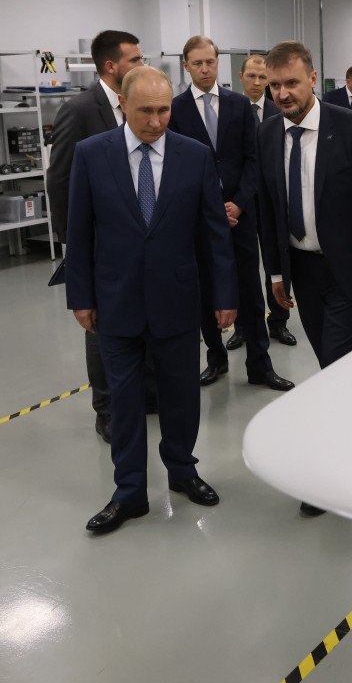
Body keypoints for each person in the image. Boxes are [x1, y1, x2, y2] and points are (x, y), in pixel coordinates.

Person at [65, 66, 238, 534]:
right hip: (114, 303)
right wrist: (80, 296)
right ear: (122, 105)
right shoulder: (92, 155)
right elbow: (78, 232)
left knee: (181, 396)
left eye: (164, 110)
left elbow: (214, 233)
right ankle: (129, 493)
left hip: (178, 301)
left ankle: (183, 471)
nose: (157, 121)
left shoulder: (194, 156)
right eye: (146, 111)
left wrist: (225, 294)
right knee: (124, 402)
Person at [259, 41, 352, 517]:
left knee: (335, 368)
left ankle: (330, 474)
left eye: (291, 83)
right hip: (302, 270)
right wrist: (277, 274)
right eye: (275, 85)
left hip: (351, 267)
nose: (283, 94)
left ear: (312, 78)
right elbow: (269, 211)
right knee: (332, 360)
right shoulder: (266, 136)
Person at [169, 36, 293, 392]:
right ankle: (216, 359)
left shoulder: (240, 105)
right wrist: (209, 210)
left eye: (210, 61)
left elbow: (253, 160)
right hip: (199, 221)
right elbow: (177, 169)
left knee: (250, 292)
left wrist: (238, 202)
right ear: (186, 66)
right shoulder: (176, 110)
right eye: (198, 63)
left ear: (218, 62)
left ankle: (260, 364)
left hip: (240, 214)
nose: (205, 69)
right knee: (205, 291)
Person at [47, 30, 147, 444]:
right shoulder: (80, 110)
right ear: (111, 66)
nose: (142, 64)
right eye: (135, 59)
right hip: (99, 245)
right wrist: (76, 244)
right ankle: (106, 408)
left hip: (141, 238)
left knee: (142, 317)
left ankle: (147, 394)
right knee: (101, 328)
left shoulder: (138, 106)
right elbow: (60, 181)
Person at [230, 54, 296, 350]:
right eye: (251, 76)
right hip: (242, 201)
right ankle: (243, 326)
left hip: (272, 198)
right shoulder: (230, 110)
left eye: (262, 77)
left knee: (276, 260)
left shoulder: (279, 111)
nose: (257, 83)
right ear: (241, 76)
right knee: (242, 267)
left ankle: (279, 320)